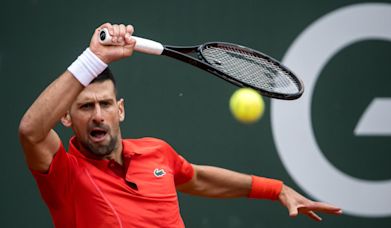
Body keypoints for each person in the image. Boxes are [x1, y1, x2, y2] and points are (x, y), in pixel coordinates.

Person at [19, 23, 342, 228]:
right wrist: (94, 59)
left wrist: (277, 190)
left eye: (105, 104)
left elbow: (198, 178)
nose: (98, 115)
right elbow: (30, 131)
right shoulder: (64, 173)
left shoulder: (156, 153)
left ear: (121, 110)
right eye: (85, 107)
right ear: (65, 116)